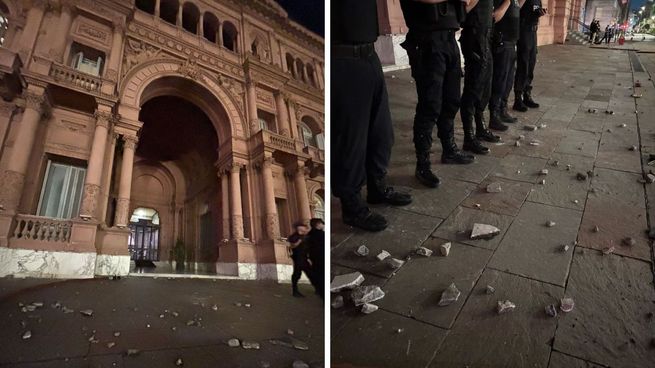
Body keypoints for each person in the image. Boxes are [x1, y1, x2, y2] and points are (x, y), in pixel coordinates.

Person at [332, 0, 412, 232]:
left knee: (381, 132)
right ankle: (352, 205)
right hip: (343, 59)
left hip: (369, 54)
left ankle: (377, 187)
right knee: (351, 138)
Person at [399, 0, 475, 189]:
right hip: (427, 42)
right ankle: (422, 164)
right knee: (430, 105)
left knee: (451, 101)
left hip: (449, 40)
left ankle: (449, 149)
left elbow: (464, 7)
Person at [459, 0, 505, 153]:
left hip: (485, 37)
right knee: (473, 88)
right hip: (474, 37)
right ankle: (469, 137)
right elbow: (462, 11)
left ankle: (481, 128)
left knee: (485, 88)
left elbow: (493, 16)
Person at [489, 0, 523, 128]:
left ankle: (503, 110)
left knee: (508, 82)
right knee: (499, 81)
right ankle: (494, 115)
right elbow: (494, 17)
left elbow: (518, 8)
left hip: (512, 43)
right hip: (502, 43)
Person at [513, 0, 545, 112]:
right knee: (523, 65)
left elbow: (535, 12)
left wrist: (540, 13)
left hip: (533, 32)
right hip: (524, 31)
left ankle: (527, 94)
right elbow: (516, 9)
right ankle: (518, 98)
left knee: (531, 65)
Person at [287, 222, 317, 298]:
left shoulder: (306, 236)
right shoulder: (294, 236)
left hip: (305, 258)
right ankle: (295, 290)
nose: (305, 229)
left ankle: (318, 288)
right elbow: (291, 246)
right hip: (298, 258)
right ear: (299, 228)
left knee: (311, 274)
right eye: (303, 227)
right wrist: (299, 241)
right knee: (297, 274)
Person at [306, 218, 325, 298]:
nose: (323, 225)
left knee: (317, 273)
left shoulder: (308, 235)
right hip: (322, 256)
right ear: (318, 224)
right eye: (322, 223)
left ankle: (319, 289)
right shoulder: (322, 234)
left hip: (313, 257)